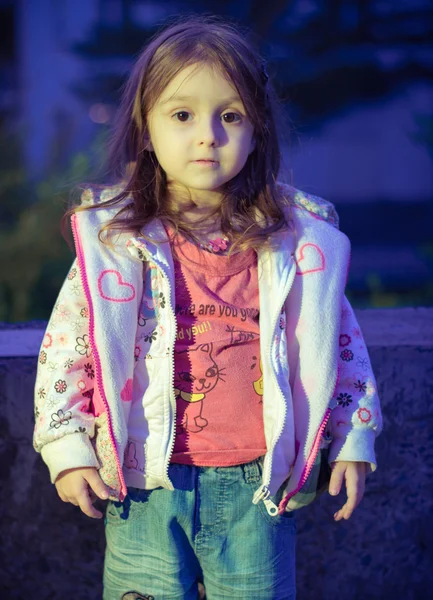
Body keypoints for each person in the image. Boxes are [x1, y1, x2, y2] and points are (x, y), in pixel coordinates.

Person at [33, 14, 383, 600]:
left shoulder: (296, 244)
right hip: (144, 487)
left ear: (257, 130)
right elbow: (68, 348)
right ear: (146, 127)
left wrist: (351, 440)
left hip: (257, 492)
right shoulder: (117, 243)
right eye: (182, 115)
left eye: (230, 116)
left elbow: (338, 347)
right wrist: (67, 451)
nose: (207, 136)